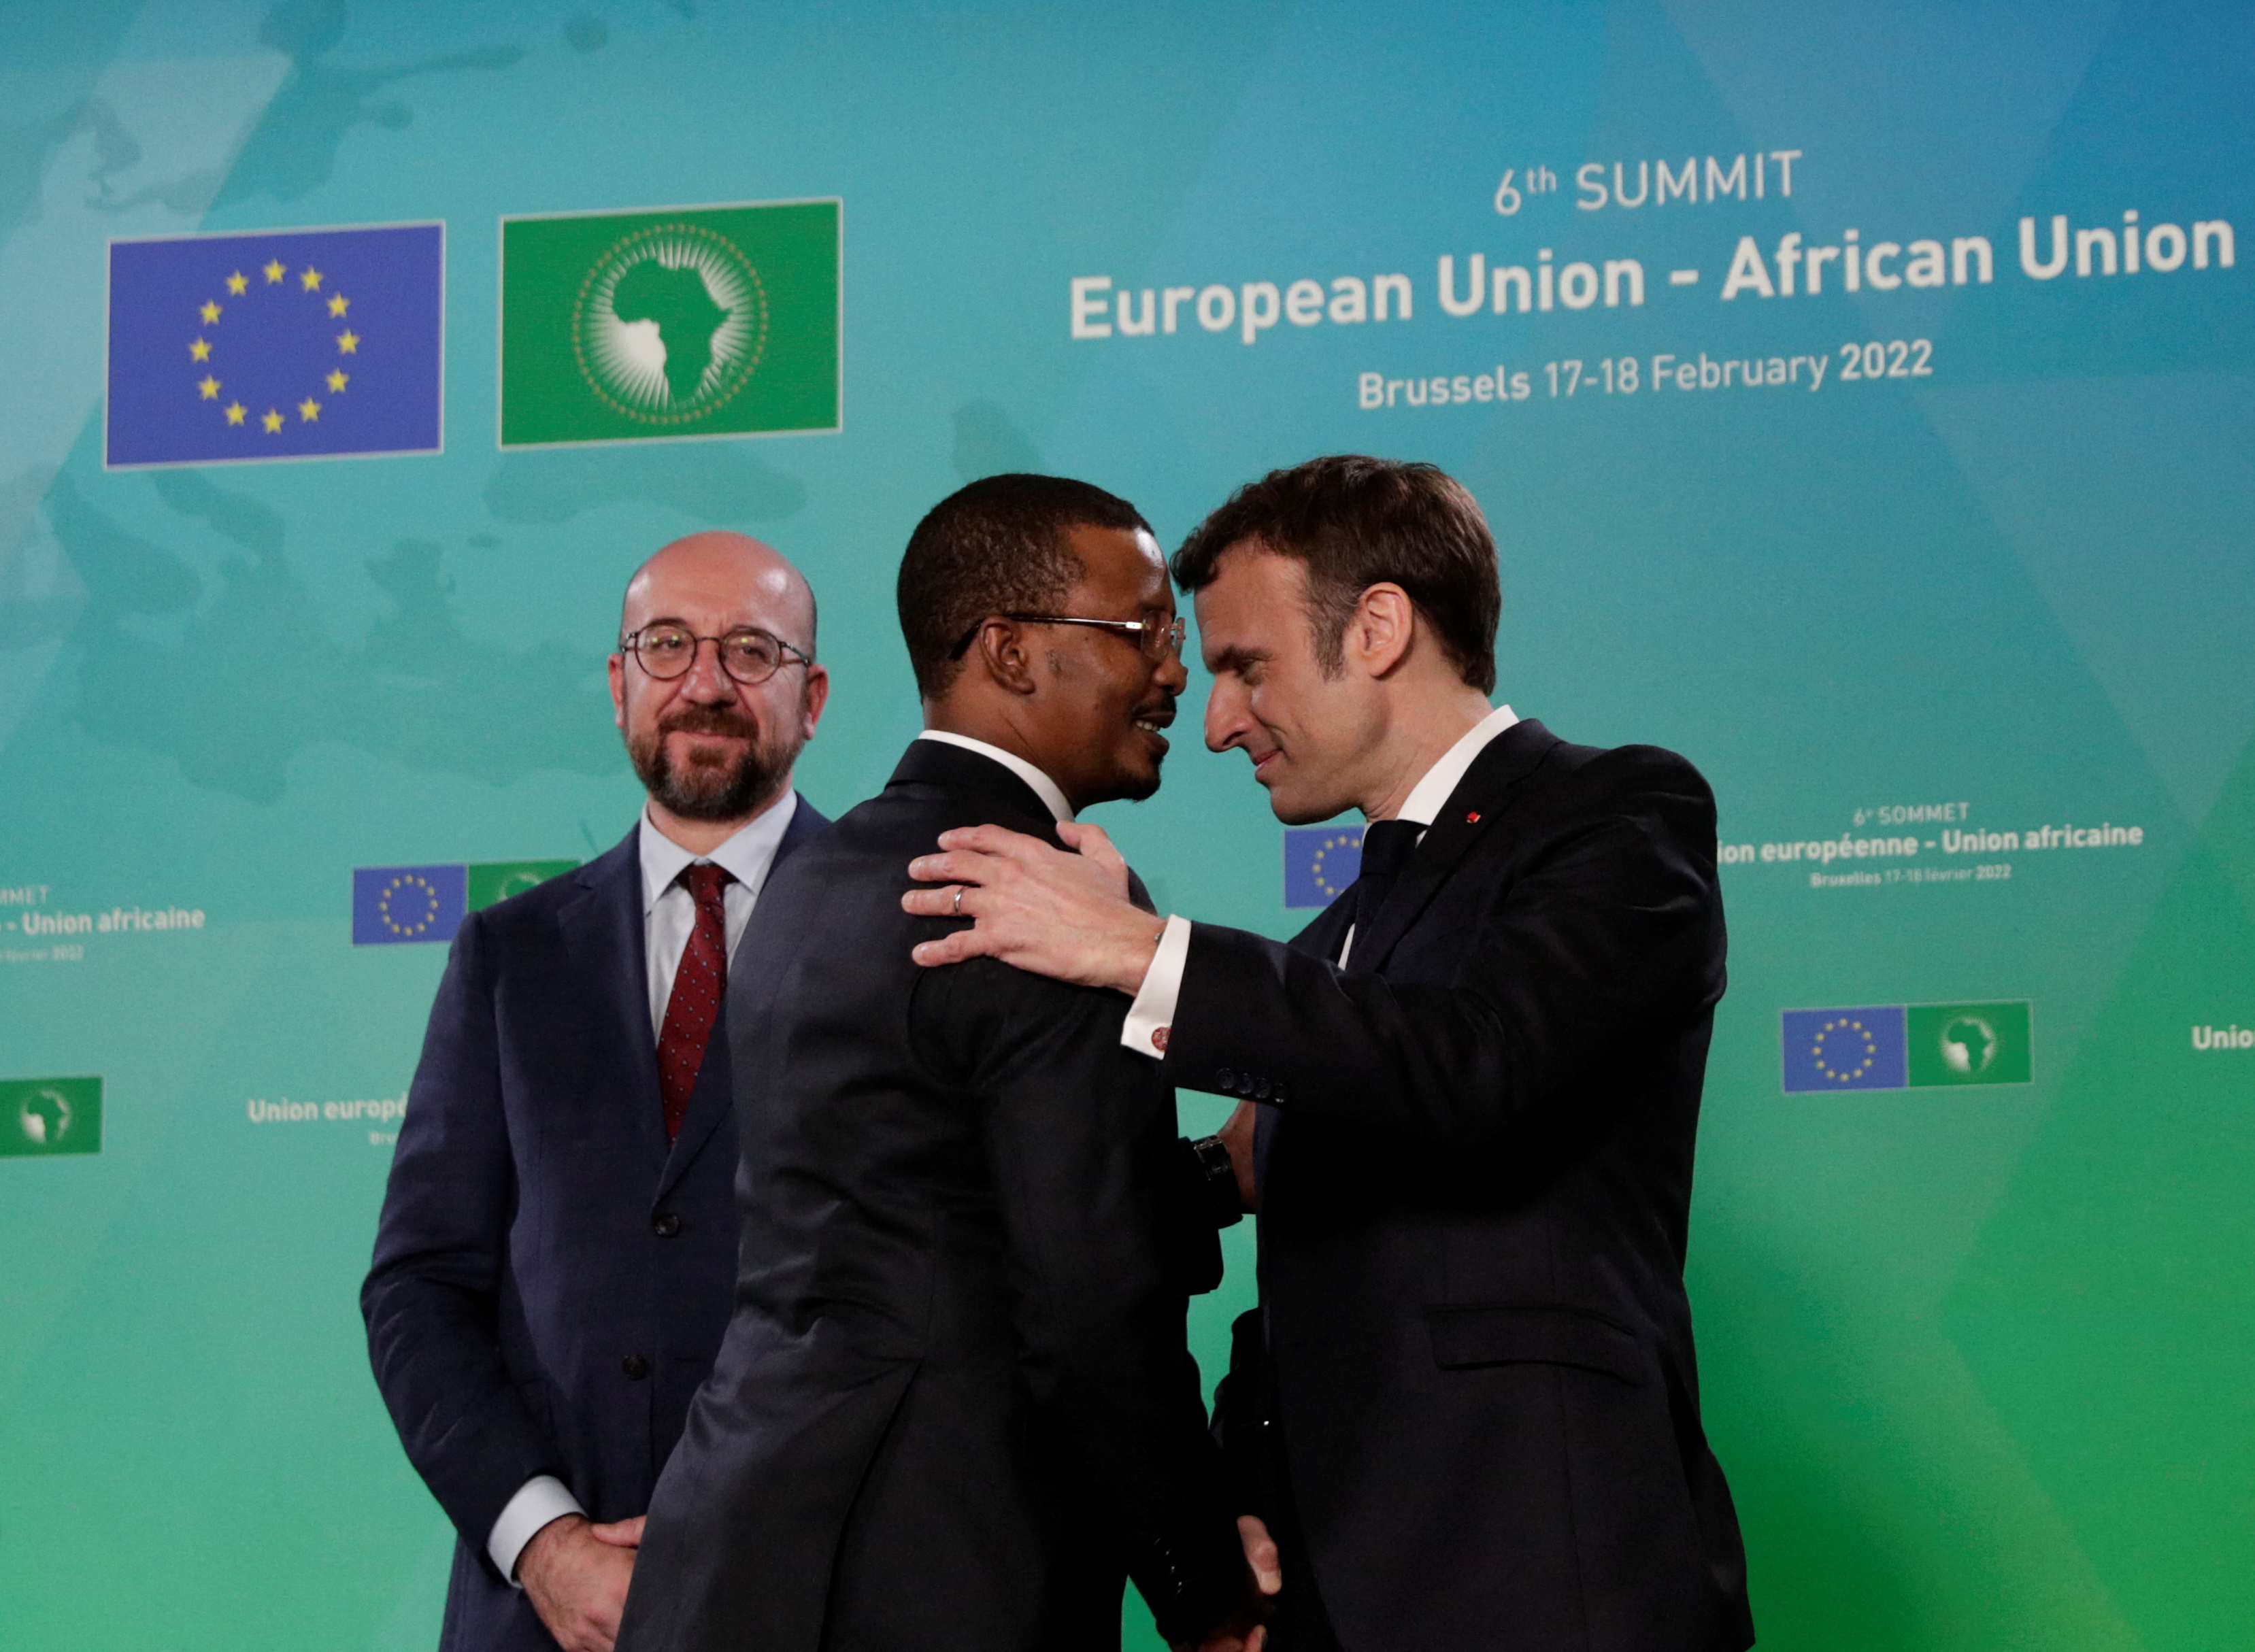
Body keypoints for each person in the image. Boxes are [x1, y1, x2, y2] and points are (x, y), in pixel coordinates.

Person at [903, 456, 1755, 1652]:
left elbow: (1475, 1059)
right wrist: (1238, 1504)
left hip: (1546, 1578)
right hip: (1330, 1591)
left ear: (1380, 627)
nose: (1214, 720)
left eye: (1247, 667)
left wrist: (1142, 950)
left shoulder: (1619, 816)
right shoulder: (1338, 942)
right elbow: (1330, 1251)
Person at [617, 475, 1273, 1652]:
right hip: (936, 1574)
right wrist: (1207, 1591)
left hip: (727, 1558)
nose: (1174, 673)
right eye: (1143, 633)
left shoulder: (815, 874)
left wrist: (1213, 1179)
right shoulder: (1037, 894)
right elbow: (1087, 1307)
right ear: (1011, 652)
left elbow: (932, 1209)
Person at [363, 531, 831, 1652]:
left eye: (751, 651)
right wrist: (545, 1541)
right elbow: (420, 1289)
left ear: (811, 698)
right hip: (545, 1618)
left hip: (823, 1602)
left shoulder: (904, 927)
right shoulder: (508, 957)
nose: (705, 682)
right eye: (667, 645)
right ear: (619, 684)